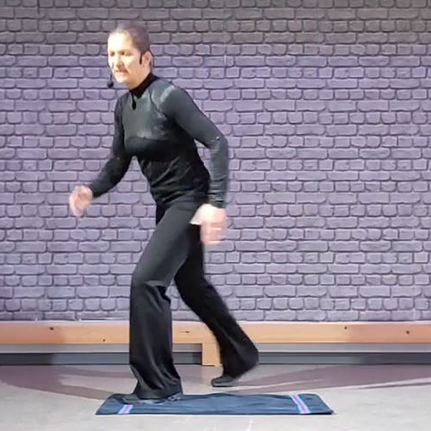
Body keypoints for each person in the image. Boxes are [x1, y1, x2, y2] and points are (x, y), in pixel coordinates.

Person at [69, 23, 258, 400]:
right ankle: (240, 354)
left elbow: (217, 143)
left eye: (124, 53)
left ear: (146, 58)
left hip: (191, 201)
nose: (117, 61)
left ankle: (158, 385)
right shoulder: (124, 107)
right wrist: (91, 190)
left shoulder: (169, 96)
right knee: (191, 285)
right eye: (111, 54)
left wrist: (216, 205)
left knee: (146, 282)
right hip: (168, 204)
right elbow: (117, 164)